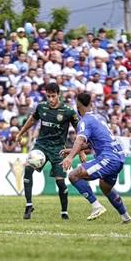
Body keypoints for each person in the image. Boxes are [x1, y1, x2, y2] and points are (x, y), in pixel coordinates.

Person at [60, 92, 131, 223]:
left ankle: (96, 206)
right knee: (106, 187)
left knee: (73, 175)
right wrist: (72, 150)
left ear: (78, 105)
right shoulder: (99, 117)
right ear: (91, 104)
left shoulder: (84, 121)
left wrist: (70, 157)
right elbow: (92, 142)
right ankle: (126, 218)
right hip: (119, 156)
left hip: (108, 158)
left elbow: (80, 139)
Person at [16, 82, 80, 220]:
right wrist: (20, 133)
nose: (50, 99)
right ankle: (28, 205)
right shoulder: (41, 107)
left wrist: (80, 151)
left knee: (60, 181)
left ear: (59, 95)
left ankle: (64, 212)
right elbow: (32, 120)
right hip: (42, 145)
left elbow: (79, 131)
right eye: (48, 96)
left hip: (58, 149)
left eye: (53, 96)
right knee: (28, 169)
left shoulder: (68, 111)